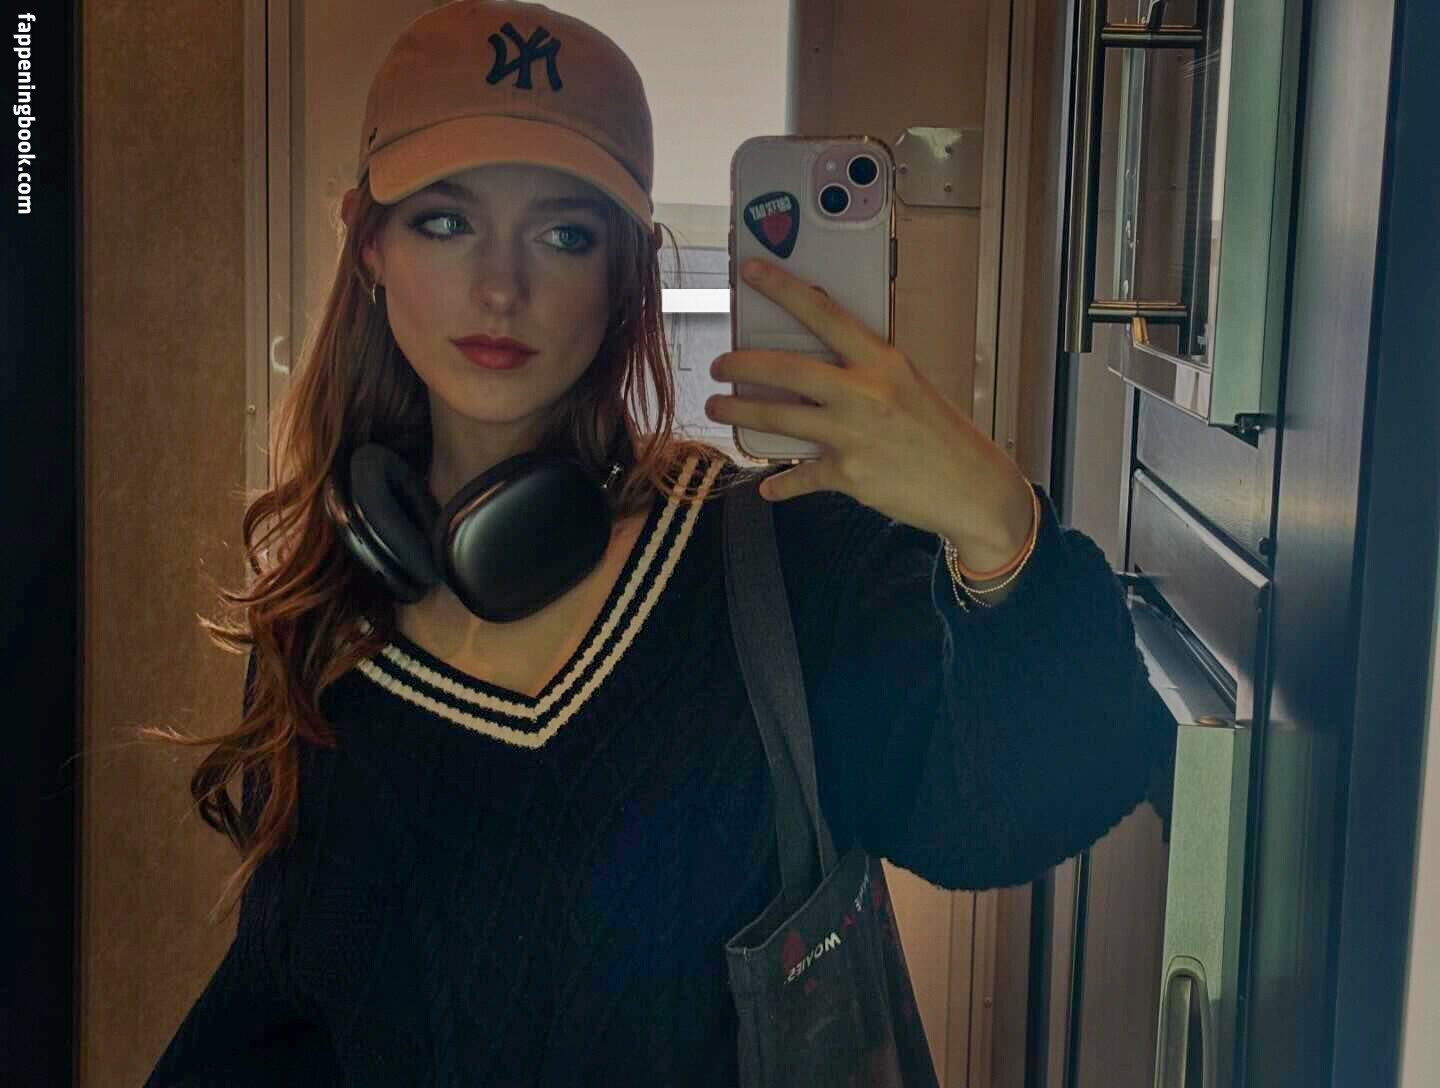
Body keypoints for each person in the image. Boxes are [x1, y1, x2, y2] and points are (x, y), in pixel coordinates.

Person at [142, 1, 1176, 1084]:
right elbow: (290, 1007)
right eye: (446, 221)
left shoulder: (777, 557)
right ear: (367, 242)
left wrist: (996, 521)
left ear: (626, 274)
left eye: (564, 234)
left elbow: (1021, 808)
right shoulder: (320, 622)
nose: (501, 286)